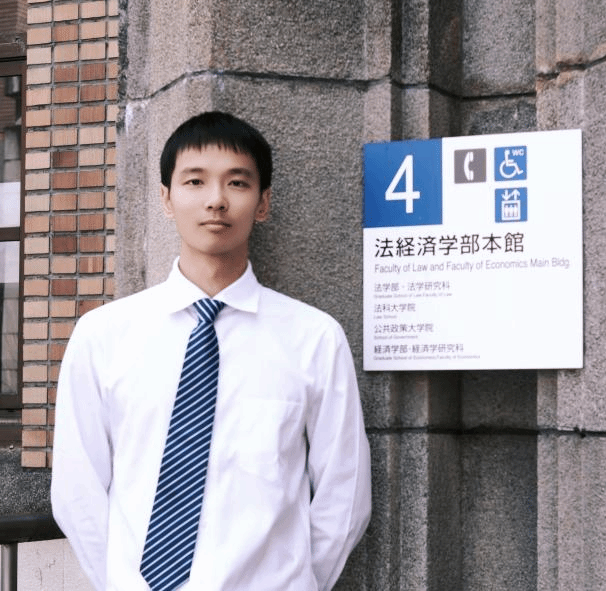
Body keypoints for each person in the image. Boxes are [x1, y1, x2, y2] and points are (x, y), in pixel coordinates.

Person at [51, 111, 372, 591]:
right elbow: (78, 489)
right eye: (195, 181)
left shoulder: (314, 338)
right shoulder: (103, 335)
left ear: (263, 203)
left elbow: (344, 494)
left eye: (237, 183)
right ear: (166, 198)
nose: (216, 200)